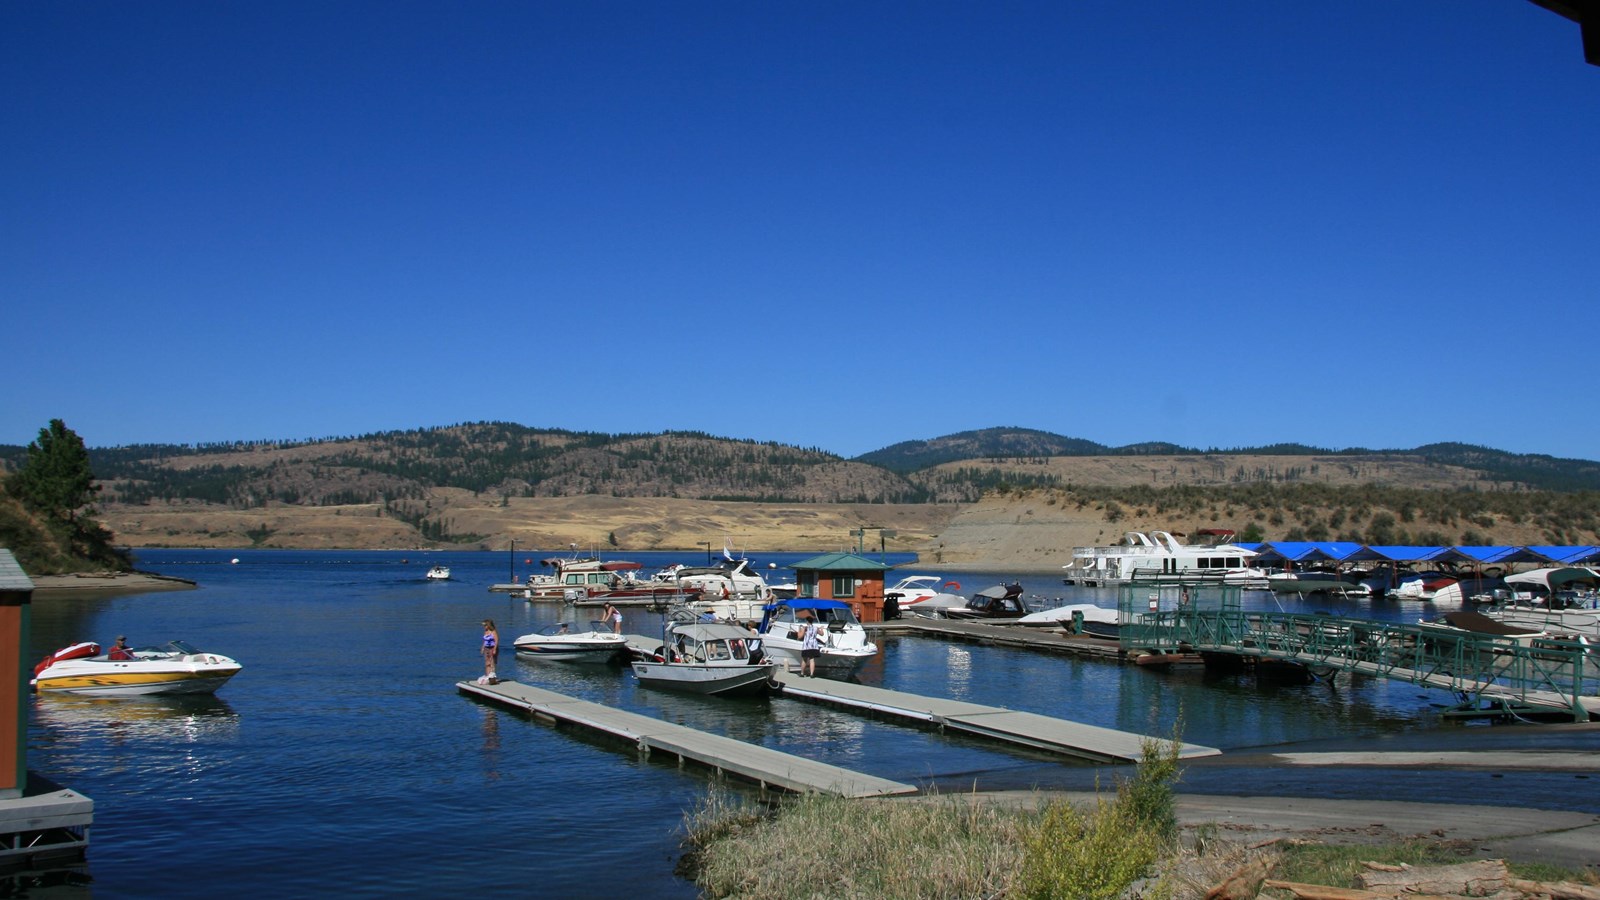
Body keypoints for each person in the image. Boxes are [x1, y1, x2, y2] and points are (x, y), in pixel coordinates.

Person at [480, 619, 499, 685]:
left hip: (492, 648)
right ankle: (487, 676)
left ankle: (492, 677)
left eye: (485, 625)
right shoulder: (486, 631)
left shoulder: (493, 631)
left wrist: (495, 649)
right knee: (487, 663)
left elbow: (496, 641)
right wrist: (482, 648)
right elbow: (484, 641)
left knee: (492, 662)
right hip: (487, 648)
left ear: (488, 625)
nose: (484, 627)